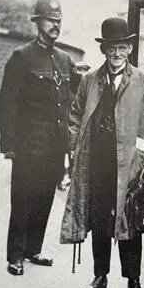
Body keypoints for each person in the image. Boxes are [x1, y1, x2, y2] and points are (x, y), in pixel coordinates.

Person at [60, 17, 144, 288]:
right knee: (100, 221)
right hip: (97, 163)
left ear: (129, 48)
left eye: (122, 47)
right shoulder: (90, 79)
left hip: (130, 165)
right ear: (103, 50)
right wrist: (74, 149)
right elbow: (75, 115)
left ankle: (133, 280)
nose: (116, 53)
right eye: (111, 48)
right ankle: (100, 276)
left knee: (129, 222)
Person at [0, 0, 79, 276]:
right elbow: (6, 102)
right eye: (49, 19)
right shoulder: (21, 57)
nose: (55, 24)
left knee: (44, 197)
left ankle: (33, 249)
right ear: (37, 22)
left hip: (54, 146)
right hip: (28, 144)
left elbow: (73, 99)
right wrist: (9, 143)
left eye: (58, 20)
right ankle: (15, 256)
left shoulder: (65, 59)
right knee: (22, 199)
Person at [56, 61, 90, 191]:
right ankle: (59, 179)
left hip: (78, 125)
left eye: (84, 70)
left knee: (75, 152)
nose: (82, 73)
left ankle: (71, 176)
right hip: (65, 123)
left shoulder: (86, 88)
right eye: (80, 70)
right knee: (62, 152)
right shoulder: (69, 88)